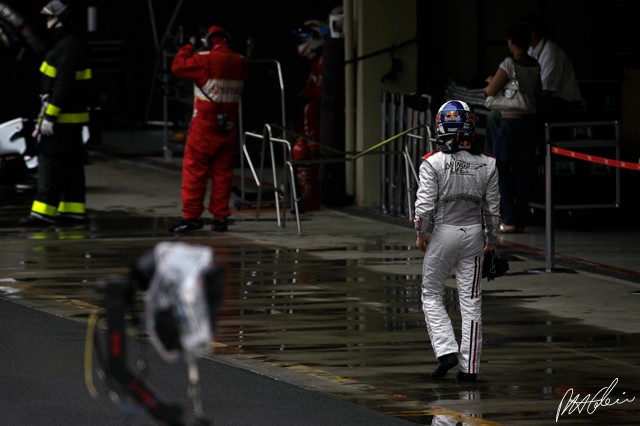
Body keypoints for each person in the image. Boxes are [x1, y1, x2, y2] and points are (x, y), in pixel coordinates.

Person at [414, 100, 501, 382]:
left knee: (431, 293)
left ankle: (446, 349)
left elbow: (424, 207)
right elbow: (493, 208)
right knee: (471, 302)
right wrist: (493, 240)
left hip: (443, 234)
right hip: (475, 235)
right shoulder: (488, 163)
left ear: (441, 126)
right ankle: (470, 369)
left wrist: (421, 233)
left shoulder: (433, 161)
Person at [19, 0, 92, 227]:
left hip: (61, 120)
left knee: (50, 164)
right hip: (69, 120)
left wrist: (50, 116)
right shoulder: (69, 43)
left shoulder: (68, 46)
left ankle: (42, 213)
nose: (48, 22)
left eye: (50, 17)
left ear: (62, 19)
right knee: (70, 166)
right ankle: (72, 212)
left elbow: (63, 84)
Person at [169, 26, 248, 233]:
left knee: (195, 171)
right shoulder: (240, 61)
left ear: (207, 41)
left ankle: (192, 217)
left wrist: (188, 46)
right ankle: (220, 218)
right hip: (229, 124)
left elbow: (177, 66)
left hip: (204, 125)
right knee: (222, 172)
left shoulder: (205, 59)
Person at [484, 15, 582, 153]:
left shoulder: (550, 52)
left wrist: (499, 85)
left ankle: (495, 159)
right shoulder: (530, 54)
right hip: (535, 99)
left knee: (496, 115)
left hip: (558, 103)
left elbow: (544, 92)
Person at [485, 22, 541, 234]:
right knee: (523, 171)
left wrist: (492, 81)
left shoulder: (508, 64)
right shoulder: (535, 64)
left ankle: (508, 218)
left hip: (510, 122)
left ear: (511, 41)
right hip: (530, 122)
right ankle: (520, 218)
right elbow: (538, 90)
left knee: (499, 168)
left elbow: (491, 91)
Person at [520, 13, 582, 121]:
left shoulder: (551, 52)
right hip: (544, 99)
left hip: (561, 103)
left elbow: (546, 91)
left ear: (532, 34)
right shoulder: (530, 50)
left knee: (518, 114)